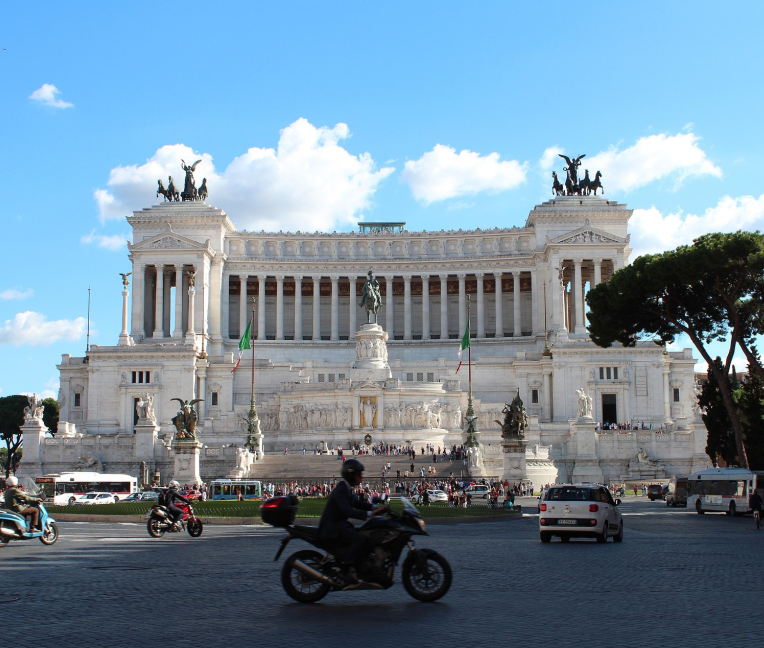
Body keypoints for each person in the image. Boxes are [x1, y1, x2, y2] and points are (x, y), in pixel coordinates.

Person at [319, 459, 387, 582]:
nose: (361, 478)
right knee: (359, 539)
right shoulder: (341, 490)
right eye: (359, 475)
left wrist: (377, 508)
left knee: (364, 534)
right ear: (351, 475)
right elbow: (348, 511)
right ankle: (345, 570)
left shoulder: (345, 487)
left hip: (339, 525)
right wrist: (370, 513)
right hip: (333, 528)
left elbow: (357, 503)